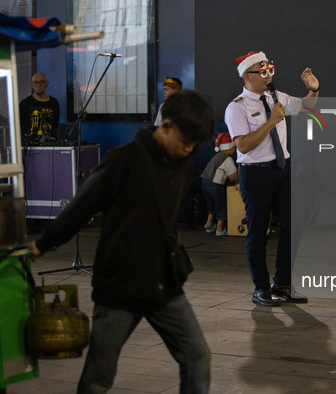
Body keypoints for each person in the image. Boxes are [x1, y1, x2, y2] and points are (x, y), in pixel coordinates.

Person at [28, 90, 214, 393]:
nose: (189, 150)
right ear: (164, 126)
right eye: (184, 142)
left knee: (198, 357)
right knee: (99, 376)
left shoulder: (184, 161)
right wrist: (44, 243)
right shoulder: (123, 160)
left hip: (163, 282)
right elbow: (81, 206)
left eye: (195, 145)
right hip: (120, 284)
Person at [224, 51, 319, 306]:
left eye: (269, 70)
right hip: (256, 173)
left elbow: (306, 107)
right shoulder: (237, 107)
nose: (268, 75)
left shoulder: (277, 97)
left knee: (291, 226)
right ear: (248, 76)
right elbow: (243, 146)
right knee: (258, 232)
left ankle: (283, 283)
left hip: (282, 169)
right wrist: (271, 121)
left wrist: (314, 90)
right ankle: (261, 288)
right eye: (261, 71)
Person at [201, 132, 239, 237]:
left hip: (204, 182)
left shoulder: (216, 156)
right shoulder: (227, 159)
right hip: (215, 185)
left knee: (211, 204)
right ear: (230, 148)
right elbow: (233, 176)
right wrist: (237, 183)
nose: (235, 150)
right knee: (221, 205)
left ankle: (209, 224)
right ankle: (220, 229)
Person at [19, 72, 60, 143]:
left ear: (46, 84)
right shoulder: (24, 103)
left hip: (50, 145)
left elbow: (56, 125)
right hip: (29, 146)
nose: (38, 85)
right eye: (35, 82)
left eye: (41, 82)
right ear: (32, 85)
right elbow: (18, 125)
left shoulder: (54, 103)